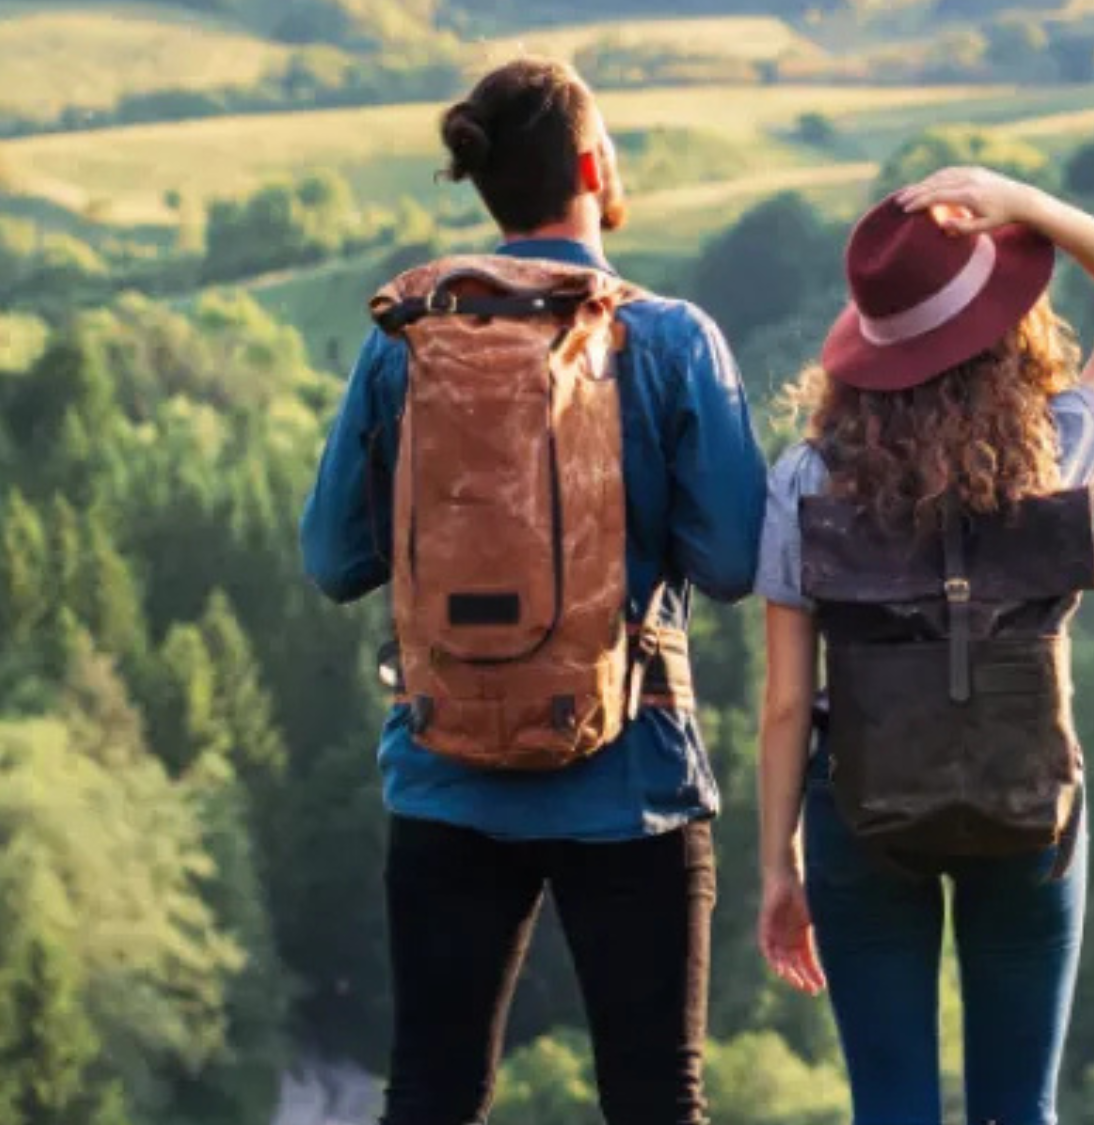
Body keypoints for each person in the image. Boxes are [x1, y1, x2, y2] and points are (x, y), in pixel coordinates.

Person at [299, 58, 766, 1125]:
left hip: (444, 770)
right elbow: (737, 563)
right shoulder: (671, 341)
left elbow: (333, 561)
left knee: (430, 1093)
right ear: (594, 170)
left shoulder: (406, 343)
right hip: (630, 773)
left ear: (484, 183)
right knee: (656, 1098)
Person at [752, 166, 1094, 1125]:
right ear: (1004, 328)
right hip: (1027, 800)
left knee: (891, 1110)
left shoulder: (806, 479)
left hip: (861, 813)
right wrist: (1030, 207)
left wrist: (780, 866)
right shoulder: (1055, 446)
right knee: (1018, 1111)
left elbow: (785, 703)